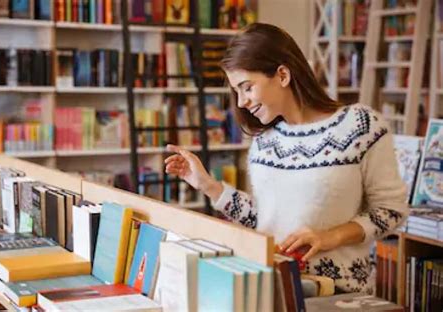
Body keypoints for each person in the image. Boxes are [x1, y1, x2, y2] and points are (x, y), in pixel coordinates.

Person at [164, 23, 408, 294]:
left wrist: (329, 238)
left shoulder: (361, 126)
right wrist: (206, 184)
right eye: (236, 91)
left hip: (338, 295)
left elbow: (392, 211)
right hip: (276, 289)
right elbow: (264, 219)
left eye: (247, 87)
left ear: (282, 75)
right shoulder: (264, 142)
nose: (242, 101)